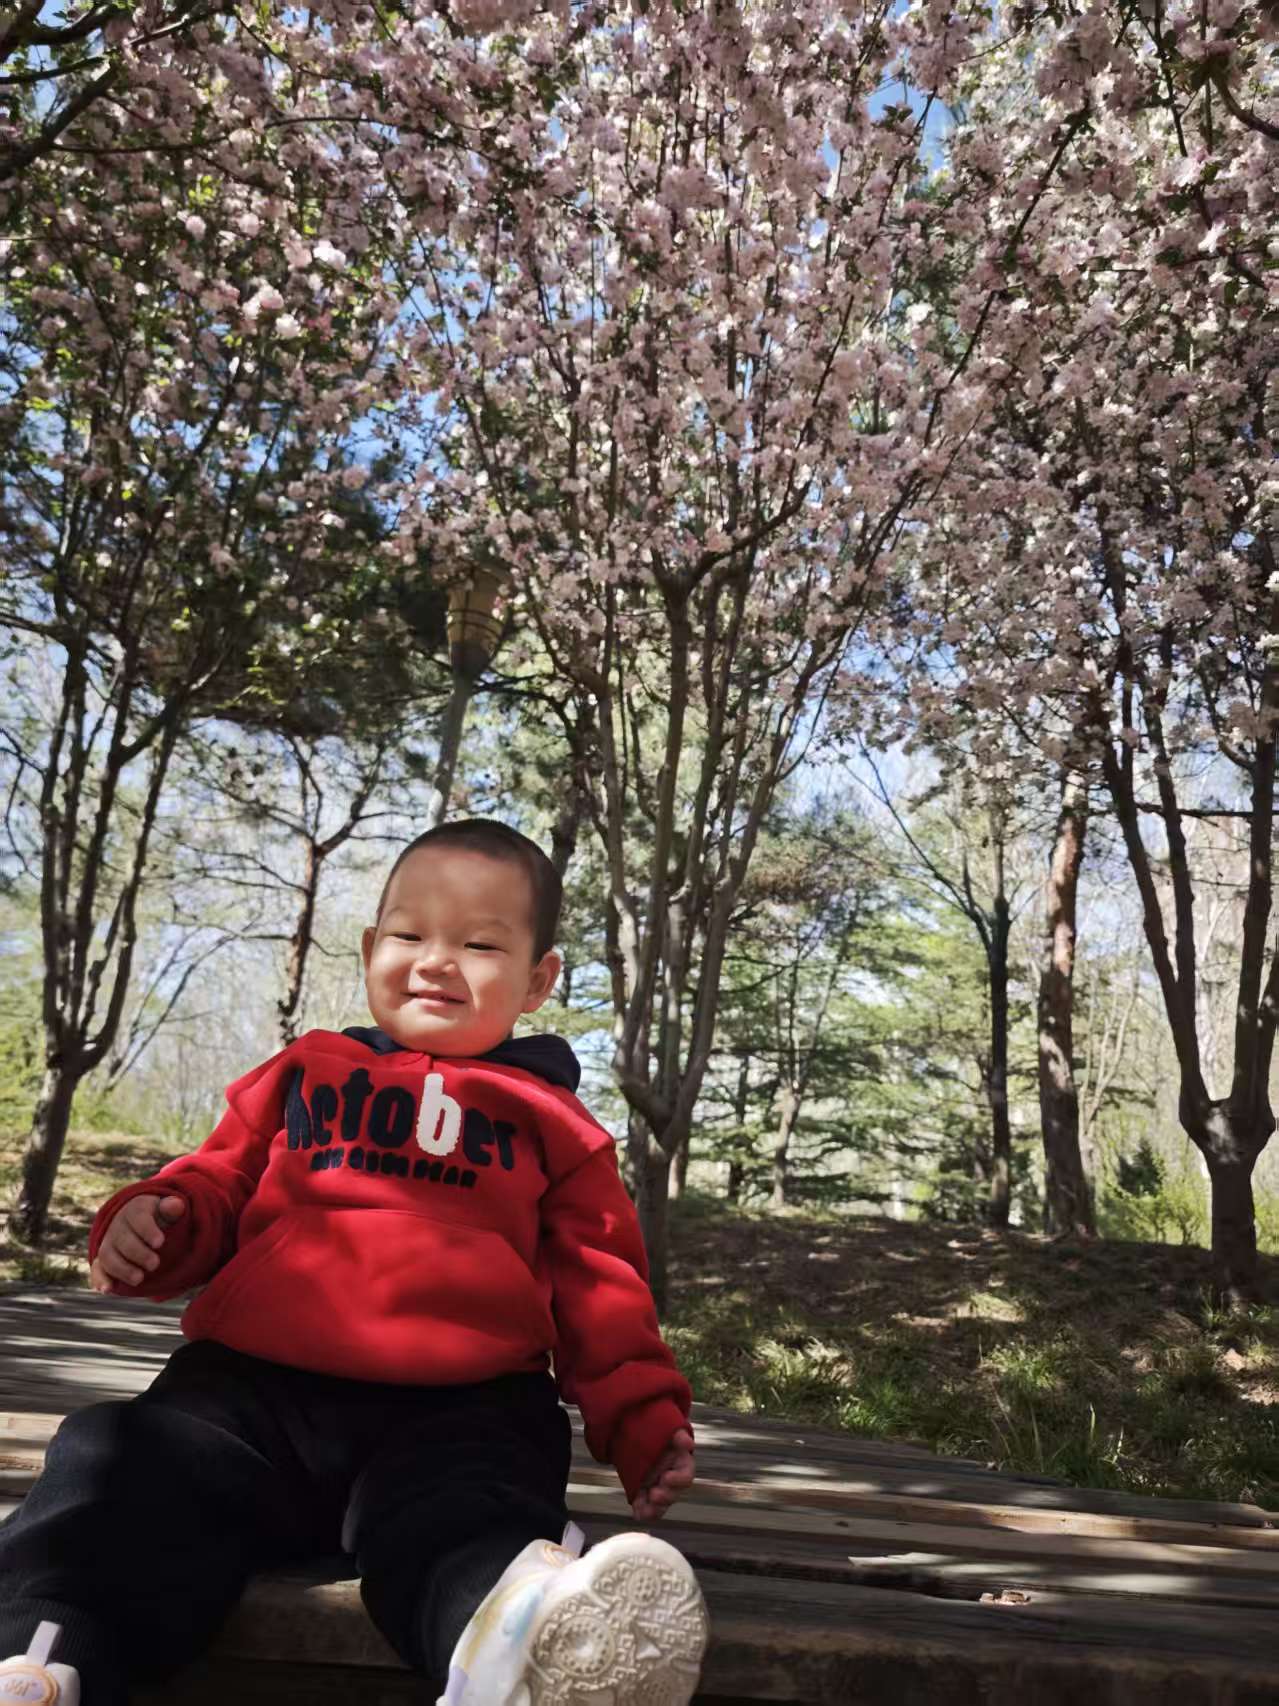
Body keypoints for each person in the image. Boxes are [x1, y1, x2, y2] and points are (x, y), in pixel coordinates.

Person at [0, 819, 709, 1706]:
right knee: (124, 1463)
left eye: (479, 945)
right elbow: (217, 1180)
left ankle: (525, 1644)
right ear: (372, 949)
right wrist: (159, 1221)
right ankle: (40, 1658)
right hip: (250, 1394)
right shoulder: (305, 1071)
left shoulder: (555, 1126)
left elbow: (600, 1284)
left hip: (463, 1409)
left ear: (537, 982)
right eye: (410, 935)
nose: (436, 961)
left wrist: (640, 1417)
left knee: (473, 1514)